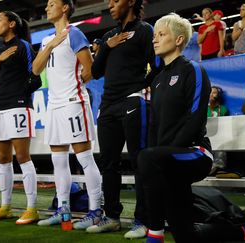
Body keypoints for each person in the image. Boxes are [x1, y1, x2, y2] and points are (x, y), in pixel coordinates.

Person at [140, 13, 245, 243]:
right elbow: (154, 125)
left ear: (179, 40)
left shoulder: (192, 69)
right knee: (186, 235)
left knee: (146, 157)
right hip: (166, 159)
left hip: (195, 153)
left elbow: (195, 119)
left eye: (162, 34)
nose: (155, 39)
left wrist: (159, 157)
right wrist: (159, 156)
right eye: (155, 35)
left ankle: (155, 234)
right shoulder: (157, 79)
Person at [87, 0, 160, 238]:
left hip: (132, 101)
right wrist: (106, 46)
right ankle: (112, 217)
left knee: (140, 162)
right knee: (108, 163)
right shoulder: (109, 35)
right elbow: (95, 71)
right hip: (107, 105)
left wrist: (139, 87)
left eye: (115, 1)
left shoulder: (144, 30)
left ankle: (142, 220)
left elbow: (156, 66)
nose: (110, 5)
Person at [32, 0, 103, 230]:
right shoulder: (46, 40)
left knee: (84, 158)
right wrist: (51, 45)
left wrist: (75, 87)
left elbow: (90, 68)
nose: (46, 8)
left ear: (64, 8)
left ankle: (95, 211)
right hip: (53, 105)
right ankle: (63, 210)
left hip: (73, 103)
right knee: (58, 160)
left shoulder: (76, 34)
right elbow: (35, 69)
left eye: (51, 3)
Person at [0, 11, 40, 225]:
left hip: (18, 107)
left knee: (23, 157)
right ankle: (5, 206)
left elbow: (35, 79)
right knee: (3, 160)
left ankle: (32, 208)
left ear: (12, 24)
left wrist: (19, 95)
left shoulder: (24, 46)